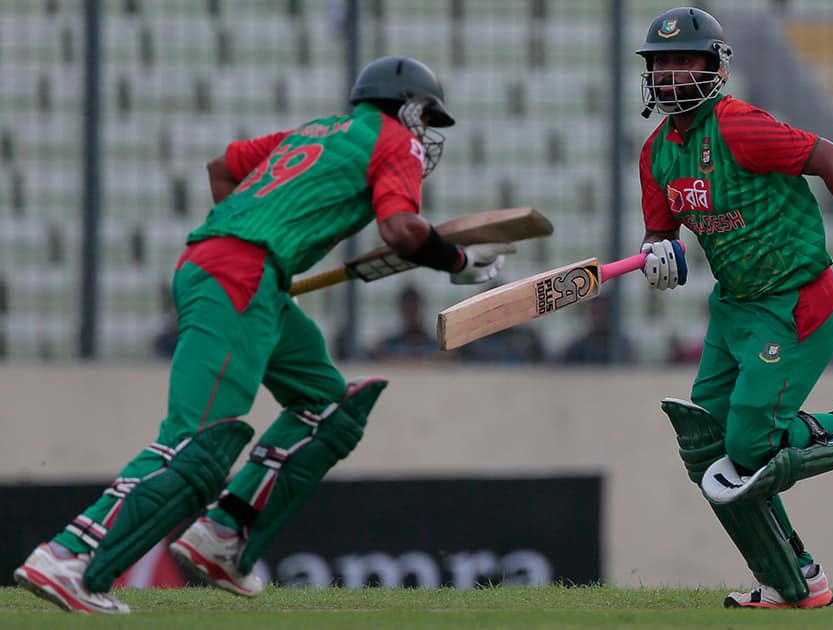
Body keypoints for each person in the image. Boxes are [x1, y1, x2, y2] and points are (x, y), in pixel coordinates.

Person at [13, 55, 512, 614]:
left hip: (244, 273)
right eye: (426, 117)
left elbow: (222, 166)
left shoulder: (315, 131)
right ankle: (69, 555)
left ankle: (222, 536)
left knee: (327, 407)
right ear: (410, 105)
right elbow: (400, 230)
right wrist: (457, 260)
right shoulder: (396, 139)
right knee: (196, 442)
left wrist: (254, 233)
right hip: (240, 276)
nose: (425, 133)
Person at [635, 7, 833, 609]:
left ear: (715, 68)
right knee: (709, 449)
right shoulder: (655, 155)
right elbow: (661, 235)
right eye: (661, 63)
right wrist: (658, 255)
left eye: (683, 61)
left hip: (796, 303)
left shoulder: (740, 127)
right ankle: (794, 578)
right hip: (733, 311)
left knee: (750, 447)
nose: (670, 75)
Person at [369, 284, 442, 362]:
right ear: (401, 309)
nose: (411, 313)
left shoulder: (436, 346)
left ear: (421, 308)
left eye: (414, 308)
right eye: (408, 309)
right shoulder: (387, 346)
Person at [558, 295, 634, 365]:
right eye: (596, 312)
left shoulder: (621, 347)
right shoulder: (577, 349)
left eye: (603, 312)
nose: (599, 317)